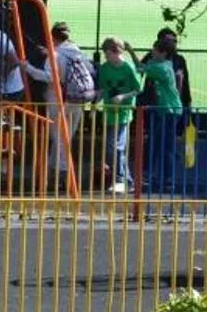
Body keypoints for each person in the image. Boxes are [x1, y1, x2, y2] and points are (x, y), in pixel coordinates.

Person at [137, 34, 187, 190]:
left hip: (169, 110)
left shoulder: (162, 68)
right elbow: (147, 64)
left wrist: (131, 51)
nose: (152, 52)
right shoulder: (163, 63)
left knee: (165, 144)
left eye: (155, 50)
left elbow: (139, 68)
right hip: (163, 109)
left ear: (163, 53)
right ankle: (156, 176)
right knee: (157, 142)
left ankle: (165, 179)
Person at [94, 36, 143, 192]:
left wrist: (123, 96)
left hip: (123, 112)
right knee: (111, 148)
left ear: (116, 52)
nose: (106, 57)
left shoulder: (128, 68)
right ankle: (127, 181)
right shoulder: (104, 68)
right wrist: (95, 104)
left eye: (108, 53)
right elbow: (102, 89)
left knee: (117, 147)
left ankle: (120, 179)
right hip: (109, 112)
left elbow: (137, 89)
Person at [52, 23, 98, 182]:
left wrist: (28, 68)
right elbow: (91, 70)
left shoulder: (56, 54)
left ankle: (62, 173)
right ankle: (59, 171)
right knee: (66, 136)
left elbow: (53, 77)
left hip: (66, 99)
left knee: (59, 137)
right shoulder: (77, 51)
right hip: (81, 98)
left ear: (53, 37)